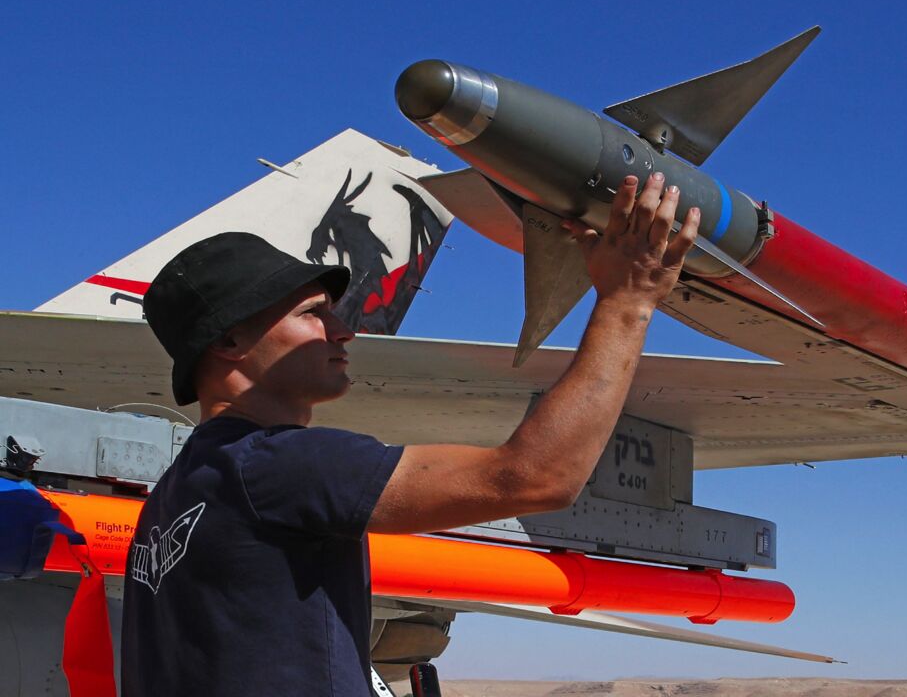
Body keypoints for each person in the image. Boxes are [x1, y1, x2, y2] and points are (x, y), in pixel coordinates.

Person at [121, 173, 699, 696]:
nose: (344, 331)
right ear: (228, 343)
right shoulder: (276, 467)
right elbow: (536, 477)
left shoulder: (176, 495)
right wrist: (627, 302)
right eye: (314, 313)